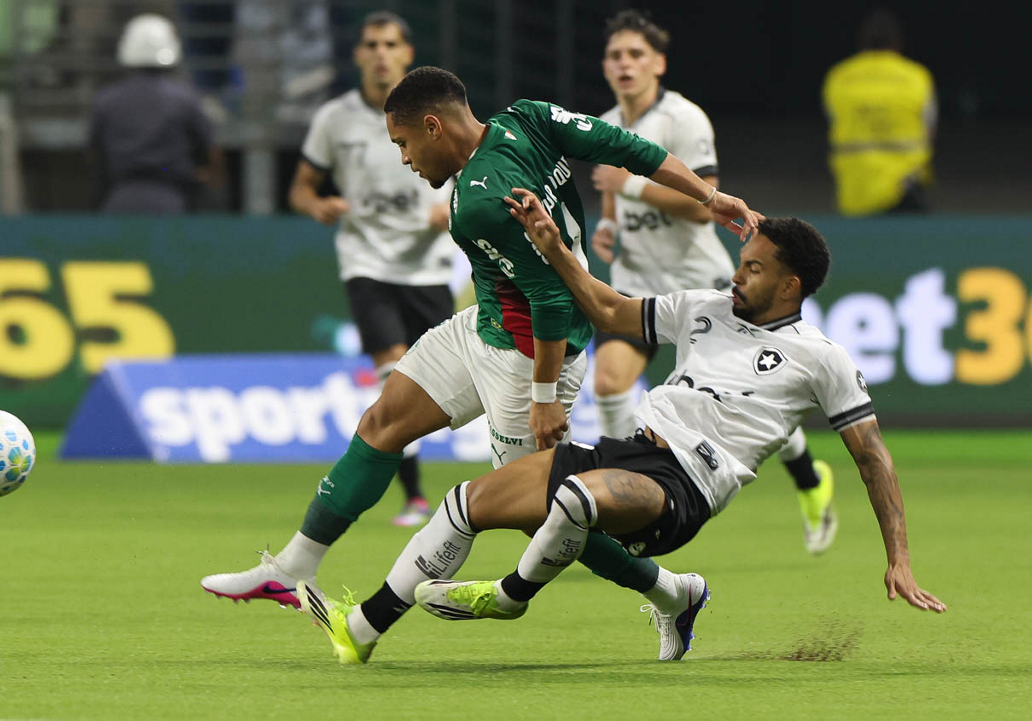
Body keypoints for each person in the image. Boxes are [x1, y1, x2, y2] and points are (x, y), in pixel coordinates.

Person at [202, 67, 762, 659]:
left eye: (403, 144)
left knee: (538, 512)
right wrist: (707, 192)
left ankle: (673, 592)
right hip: (485, 325)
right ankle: (292, 569)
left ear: (433, 126)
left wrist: (544, 397)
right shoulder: (529, 118)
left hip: (529, 356)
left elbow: (549, 297)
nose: (405, 160)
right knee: (382, 423)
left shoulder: (477, 204)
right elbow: (627, 148)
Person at [296, 206, 945, 665]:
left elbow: (873, 457)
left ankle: (507, 597)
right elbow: (608, 308)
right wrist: (553, 249)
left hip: (686, 487)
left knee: (576, 498)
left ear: (790, 284)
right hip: (630, 450)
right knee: (464, 503)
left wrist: (900, 556)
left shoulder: (822, 357)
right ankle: (361, 630)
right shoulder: (707, 309)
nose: (735, 275)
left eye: (751, 268)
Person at [591, 10, 837, 553]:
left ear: (658, 63)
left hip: (700, 287)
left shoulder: (685, 118)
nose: (625, 64)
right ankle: (622, 489)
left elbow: (705, 205)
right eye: (615, 55)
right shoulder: (607, 120)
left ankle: (811, 482)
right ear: (605, 66)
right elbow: (611, 187)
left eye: (635, 55)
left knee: (742, 400)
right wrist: (609, 222)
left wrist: (628, 190)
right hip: (637, 283)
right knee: (608, 382)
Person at [288, 11, 456, 527]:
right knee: (392, 372)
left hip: (429, 266)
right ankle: (415, 495)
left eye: (390, 44)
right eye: (370, 44)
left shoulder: (435, 111)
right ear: (358, 54)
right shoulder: (334, 119)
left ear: (407, 53)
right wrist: (317, 206)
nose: (380, 53)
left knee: (435, 384)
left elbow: (473, 167)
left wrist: (450, 208)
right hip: (367, 262)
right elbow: (300, 188)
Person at [89, 14, 221, 213]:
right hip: (171, 198)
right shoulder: (186, 99)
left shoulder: (106, 100)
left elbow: (94, 154)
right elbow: (208, 150)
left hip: (120, 197)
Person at [822, 7, 937, 216]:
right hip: (905, 194)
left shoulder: (839, 77)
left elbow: (834, 124)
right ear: (897, 44)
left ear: (862, 44)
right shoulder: (917, 76)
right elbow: (929, 131)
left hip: (854, 193)